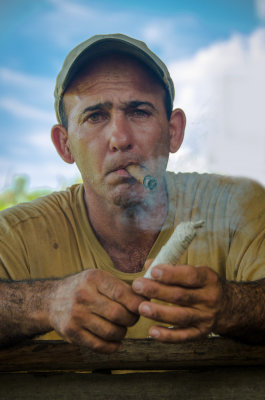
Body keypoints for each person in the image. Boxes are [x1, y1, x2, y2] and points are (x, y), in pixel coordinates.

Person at [0, 34, 264, 354]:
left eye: (139, 111)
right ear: (65, 144)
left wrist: (231, 305)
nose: (120, 139)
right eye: (95, 115)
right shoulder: (16, 235)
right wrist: (44, 303)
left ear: (173, 132)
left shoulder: (237, 206)